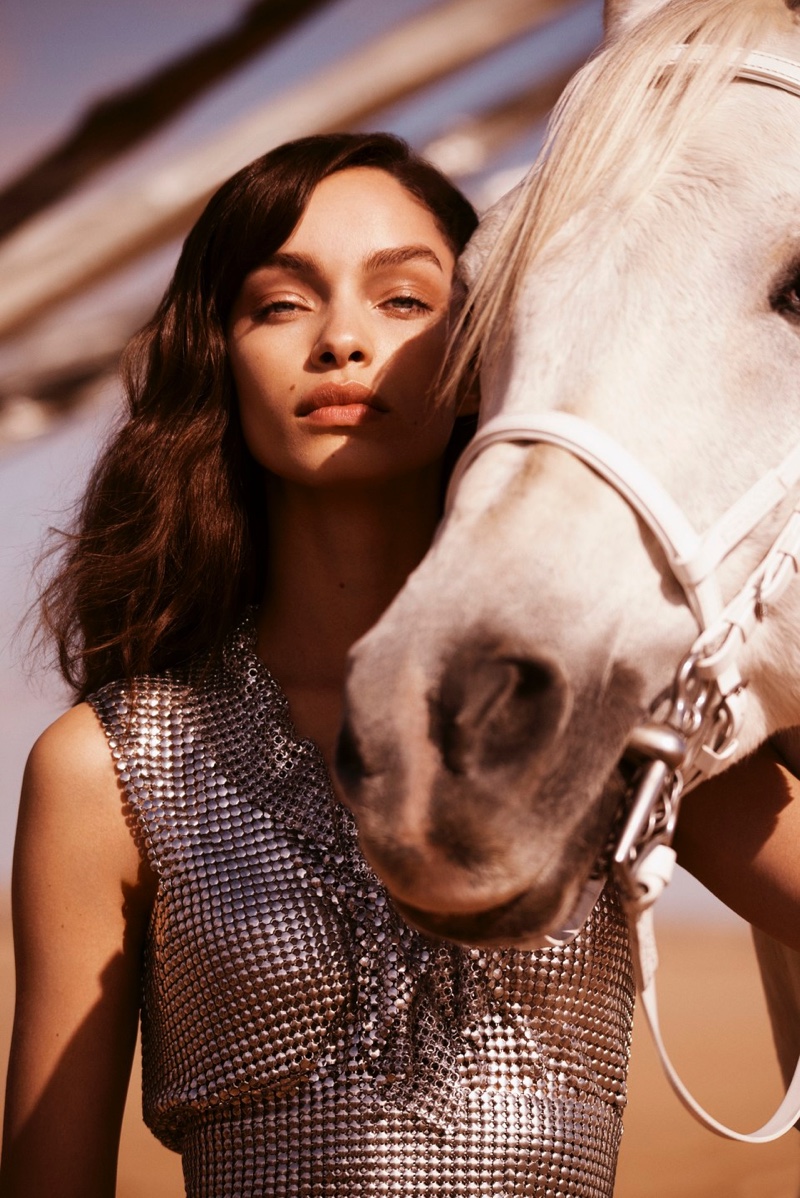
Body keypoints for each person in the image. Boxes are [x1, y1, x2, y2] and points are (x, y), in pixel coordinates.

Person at [0, 130, 797, 1198]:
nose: (339, 340)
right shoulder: (108, 767)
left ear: (482, 353)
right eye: (280, 303)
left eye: (401, 301)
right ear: (218, 357)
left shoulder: (593, 710)